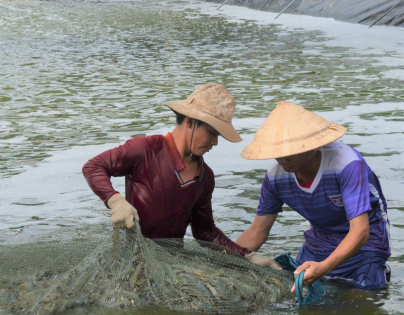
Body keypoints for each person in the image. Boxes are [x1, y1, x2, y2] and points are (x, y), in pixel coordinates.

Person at [82, 83, 279, 266]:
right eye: (212, 133)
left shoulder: (205, 177)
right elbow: (93, 167)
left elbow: (206, 233)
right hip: (134, 261)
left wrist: (248, 256)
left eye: (219, 135)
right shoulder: (145, 149)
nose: (215, 142)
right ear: (192, 122)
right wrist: (115, 200)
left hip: (175, 264)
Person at [236, 101, 390, 290]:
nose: (283, 159)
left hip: (367, 241)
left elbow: (360, 231)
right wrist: (229, 257)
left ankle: (378, 268)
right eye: (277, 152)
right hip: (320, 240)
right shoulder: (276, 178)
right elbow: (257, 231)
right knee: (300, 295)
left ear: (313, 146)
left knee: (361, 301)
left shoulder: (346, 165)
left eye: (290, 151)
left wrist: (324, 267)